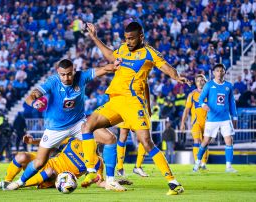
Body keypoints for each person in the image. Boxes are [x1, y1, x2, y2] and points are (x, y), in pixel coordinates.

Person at [81, 22, 190, 195]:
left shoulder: (149, 53)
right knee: (88, 125)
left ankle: (173, 183)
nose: (128, 41)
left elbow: (166, 66)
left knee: (146, 143)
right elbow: (110, 55)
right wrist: (94, 37)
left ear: (141, 37)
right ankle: (91, 171)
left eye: (131, 38)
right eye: (126, 38)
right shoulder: (123, 49)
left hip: (133, 103)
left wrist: (177, 77)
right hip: (115, 101)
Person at [6, 59, 126, 191]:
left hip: (78, 124)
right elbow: (32, 95)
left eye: (69, 74)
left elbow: (103, 69)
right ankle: (19, 182)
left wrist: (114, 66)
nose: (66, 77)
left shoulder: (81, 77)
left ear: (74, 71)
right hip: (55, 129)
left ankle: (110, 180)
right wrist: (35, 103)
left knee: (110, 139)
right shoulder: (53, 82)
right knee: (40, 162)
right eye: (63, 74)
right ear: (58, 72)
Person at [0, 135, 124, 190]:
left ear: (100, 142)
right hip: (48, 163)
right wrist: (33, 141)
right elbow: (52, 142)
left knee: (49, 172)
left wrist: (112, 182)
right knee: (21, 156)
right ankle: (7, 181)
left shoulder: (97, 162)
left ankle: (16, 185)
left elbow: (100, 181)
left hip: (57, 178)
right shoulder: (74, 140)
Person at [193, 64, 238, 173]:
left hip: (225, 118)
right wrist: (203, 105)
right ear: (214, 73)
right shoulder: (209, 85)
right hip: (212, 119)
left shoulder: (229, 86)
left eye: (221, 71)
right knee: (205, 141)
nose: (219, 73)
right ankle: (197, 162)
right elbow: (201, 99)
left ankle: (228, 166)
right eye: (217, 71)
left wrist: (234, 116)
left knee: (229, 140)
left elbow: (232, 102)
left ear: (224, 72)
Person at [116, 83, 152, 177]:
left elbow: (146, 91)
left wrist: (148, 108)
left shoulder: (141, 75)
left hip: (138, 109)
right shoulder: (122, 75)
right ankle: (120, 168)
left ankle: (138, 166)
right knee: (123, 136)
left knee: (143, 138)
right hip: (125, 108)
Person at [180, 74, 209, 170]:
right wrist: (182, 122)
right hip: (196, 122)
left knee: (205, 142)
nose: (200, 82)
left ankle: (204, 163)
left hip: (208, 122)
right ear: (196, 83)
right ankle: (197, 162)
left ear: (205, 82)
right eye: (198, 81)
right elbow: (186, 110)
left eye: (202, 80)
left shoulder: (210, 94)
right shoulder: (192, 94)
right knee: (197, 141)